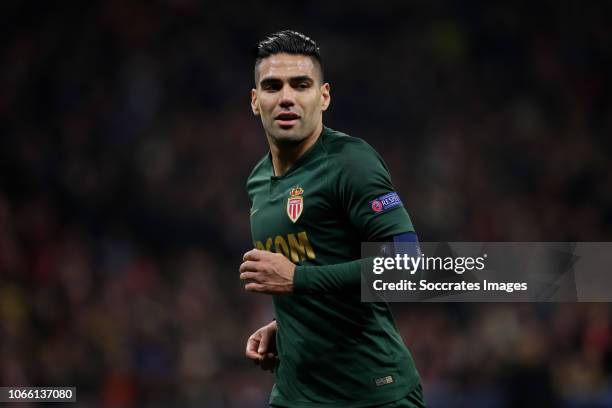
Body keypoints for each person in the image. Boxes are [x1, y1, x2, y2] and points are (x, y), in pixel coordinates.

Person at [240, 30, 425, 408]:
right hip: (295, 394)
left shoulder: (350, 163)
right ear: (256, 102)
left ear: (323, 97)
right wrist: (291, 327)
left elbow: (407, 261)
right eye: (273, 86)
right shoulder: (258, 180)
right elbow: (318, 267)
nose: (287, 97)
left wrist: (297, 280)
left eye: (301, 84)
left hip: (373, 394)